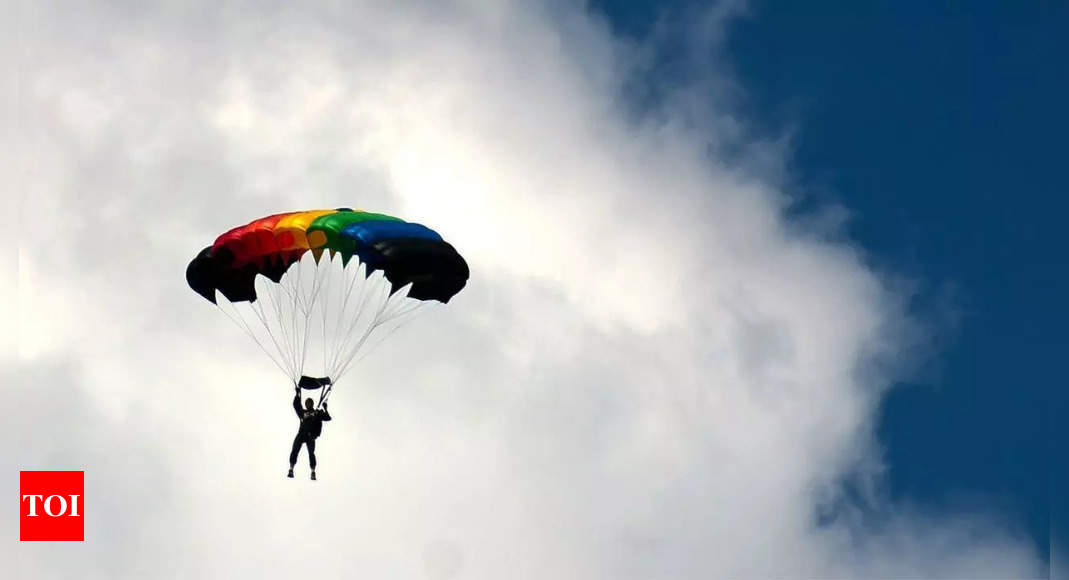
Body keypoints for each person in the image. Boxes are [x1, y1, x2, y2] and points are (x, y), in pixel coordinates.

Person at [287, 385, 332, 480]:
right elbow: (296, 405)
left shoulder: (317, 413)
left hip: (311, 435)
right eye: (307, 403)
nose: (308, 404)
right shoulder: (302, 413)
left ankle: (313, 471)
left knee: (311, 453)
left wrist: (325, 409)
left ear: (312, 404)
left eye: (310, 403)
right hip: (302, 434)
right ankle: (291, 468)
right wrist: (297, 394)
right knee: (295, 449)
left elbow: (328, 418)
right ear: (305, 404)